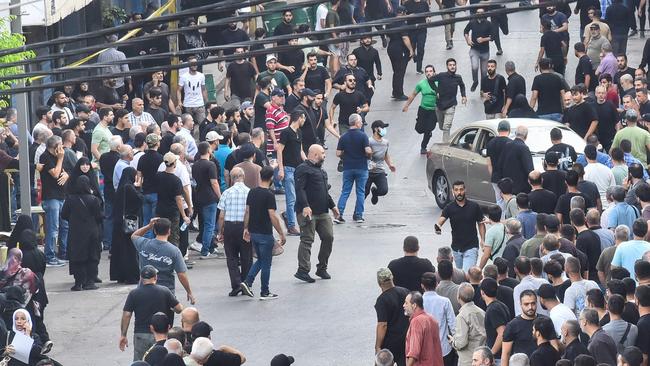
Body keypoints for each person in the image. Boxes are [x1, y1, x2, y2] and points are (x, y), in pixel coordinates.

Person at [240, 166, 287, 300]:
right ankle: (264, 291)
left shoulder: (252, 192)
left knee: (261, 260)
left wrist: (246, 228)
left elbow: (247, 211)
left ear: (260, 176)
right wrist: (281, 233)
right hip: (265, 233)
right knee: (266, 263)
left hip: (254, 232)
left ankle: (248, 282)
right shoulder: (269, 195)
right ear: (272, 178)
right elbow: (272, 215)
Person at [294, 144, 338, 283]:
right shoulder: (302, 169)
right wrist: (305, 206)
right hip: (308, 212)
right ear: (314, 154)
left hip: (322, 212)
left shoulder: (321, 171)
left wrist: (333, 206)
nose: (324, 156)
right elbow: (299, 189)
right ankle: (303, 270)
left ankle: (322, 268)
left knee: (328, 237)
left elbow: (325, 191)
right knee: (307, 240)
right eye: (322, 153)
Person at [120, 265, 183, 361]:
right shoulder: (164, 291)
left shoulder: (134, 293)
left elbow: (127, 315)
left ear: (141, 278)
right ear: (155, 277)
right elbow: (179, 308)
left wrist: (123, 335)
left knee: (140, 361)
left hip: (141, 334)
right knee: (161, 360)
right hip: (160, 334)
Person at [131, 218, 195, 304]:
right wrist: (189, 292)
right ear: (169, 231)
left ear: (154, 231)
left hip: (144, 291)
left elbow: (134, 236)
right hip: (166, 293)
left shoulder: (144, 244)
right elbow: (181, 274)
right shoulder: (174, 251)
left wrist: (148, 226)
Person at [61, 176, 103, 291]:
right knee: (92, 256)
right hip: (92, 231)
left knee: (77, 256)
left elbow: (64, 215)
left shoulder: (70, 199)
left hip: (75, 232)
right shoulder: (94, 199)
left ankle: (78, 282)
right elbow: (99, 216)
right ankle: (90, 281)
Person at [216, 167, 251, 297]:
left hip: (230, 226)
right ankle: (246, 282)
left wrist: (220, 231)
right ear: (243, 176)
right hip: (244, 226)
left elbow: (221, 215)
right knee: (246, 256)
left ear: (231, 178)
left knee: (231, 257)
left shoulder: (227, 193)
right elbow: (249, 212)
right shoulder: (249, 192)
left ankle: (236, 285)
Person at [435, 180, 486, 271]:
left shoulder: (474, 206)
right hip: (456, 248)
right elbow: (442, 219)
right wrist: (438, 226)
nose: (459, 192)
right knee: (460, 274)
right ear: (453, 191)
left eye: (461, 189)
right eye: (456, 190)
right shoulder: (449, 207)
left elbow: (481, 223)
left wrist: (482, 239)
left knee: (467, 274)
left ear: (465, 190)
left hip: (471, 246)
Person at [334, 114, 371, 224]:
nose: (361, 123)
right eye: (360, 122)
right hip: (361, 167)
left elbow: (338, 153)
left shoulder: (344, 137)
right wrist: (368, 155)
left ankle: (339, 214)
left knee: (345, 191)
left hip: (348, 167)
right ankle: (358, 215)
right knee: (360, 192)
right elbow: (368, 150)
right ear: (357, 123)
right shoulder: (363, 136)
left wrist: (345, 155)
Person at [110, 167, 142, 284]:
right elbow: (139, 200)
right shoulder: (129, 187)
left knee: (120, 250)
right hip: (129, 224)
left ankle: (120, 275)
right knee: (129, 251)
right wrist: (138, 187)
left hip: (119, 224)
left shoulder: (121, 188)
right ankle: (131, 276)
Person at [40, 135, 69, 267]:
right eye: (61, 145)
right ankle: (49, 256)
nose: (63, 147)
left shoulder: (57, 158)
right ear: (56, 147)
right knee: (53, 228)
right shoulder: (45, 157)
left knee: (65, 226)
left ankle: (63, 253)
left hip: (61, 195)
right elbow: (56, 174)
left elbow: (63, 172)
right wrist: (61, 158)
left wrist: (67, 174)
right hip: (51, 197)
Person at [278, 111, 306, 235]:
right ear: (299, 118)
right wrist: (281, 168)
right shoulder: (286, 133)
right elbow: (279, 150)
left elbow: (301, 151)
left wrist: (308, 162)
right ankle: (291, 225)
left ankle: (288, 216)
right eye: (303, 118)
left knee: (298, 197)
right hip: (288, 168)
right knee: (291, 199)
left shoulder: (299, 133)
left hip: (298, 169)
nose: (304, 121)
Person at [374, 268, 409, 366]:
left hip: (390, 342)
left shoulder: (382, 300)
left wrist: (378, 346)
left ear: (379, 283)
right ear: (392, 278)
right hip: (406, 339)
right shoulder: (405, 291)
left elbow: (382, 325)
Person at [192, 142, 221, 258]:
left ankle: (208, 247)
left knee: (203, 223)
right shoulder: (210, 165)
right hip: (210, 197)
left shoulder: (195, 165)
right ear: (208, 150)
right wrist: (220, 196)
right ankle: (205, 250)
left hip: (199, 195)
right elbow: (214, 182)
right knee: (210, 225)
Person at [501, 290, 546, 366]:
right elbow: (506, 353)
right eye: (526, 304)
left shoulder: (545, 321)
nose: (530, 307)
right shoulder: (512, 325)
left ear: (536, 303)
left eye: (533, 303)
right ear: (520, 304)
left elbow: (554, 345)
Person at [421, 272, 457, 366]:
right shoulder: (445, 301)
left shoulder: (418, 302)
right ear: (437, 284)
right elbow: (453, 324)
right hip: (444, 348)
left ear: (422, 286)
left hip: (424, 349)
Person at [402, 65, 438, 154]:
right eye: (427, 71)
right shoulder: (421, 83)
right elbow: (413, 94)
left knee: (428, 129)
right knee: (419, 129)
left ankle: (423, 147)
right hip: (423, 109)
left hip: (434, 111)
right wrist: (406, 105)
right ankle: (425, 129)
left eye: (431, 71)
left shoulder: (438, 83)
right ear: (425, 73)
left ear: (434, 72)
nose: (429, 73)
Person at [403, 291, 444, 365]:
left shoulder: (416, 321)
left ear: (414, 305)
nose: (403, 305)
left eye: (406, 303)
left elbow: (414, 352)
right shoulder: (432, 319)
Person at [450, 283, 486, 366]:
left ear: (458, 297)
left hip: (468, 360)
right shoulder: (481, 312)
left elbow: (461, 343)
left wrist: (453, 341)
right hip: (482, 358)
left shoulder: (461, 316)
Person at [432, 58, 467, 142]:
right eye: (450, 65)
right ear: (447, 66)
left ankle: (445, 146)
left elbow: (462, 86)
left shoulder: (458, 77)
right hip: (439, 105)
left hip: (451, 105)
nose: (452, 67)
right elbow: (430, 80)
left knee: (446, 127)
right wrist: (436, 90)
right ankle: (447, 138)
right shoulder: (441, 75)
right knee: (441, 127)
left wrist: (463, 96)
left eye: (454, 65)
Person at [385, 6, 414, 100]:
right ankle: (399, 93)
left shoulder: (390, 23)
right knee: (400, 72)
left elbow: (388, 37)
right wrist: (411, 49)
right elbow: (405, 38)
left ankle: (395, 91)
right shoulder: (402, 24)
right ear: (403, 13)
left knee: (396, 71)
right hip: (400, 50)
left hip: (391, 48)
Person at [481, 278, 511, 364]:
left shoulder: (493, 309)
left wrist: (491, 353)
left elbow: (502, 333)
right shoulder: (501, 305)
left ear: (482, 292)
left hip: (498, 358)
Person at [464, 8, 492, 92]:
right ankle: (475, 81)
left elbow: (493, 37)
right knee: (475, 67)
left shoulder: (488, 24)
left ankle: (482, 89)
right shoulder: (472, 22)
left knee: (484, 72)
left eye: (481, 13)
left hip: (485, 51)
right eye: (478, 13)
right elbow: (465, 31)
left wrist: (484, 39)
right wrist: (468, 39)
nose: (479, 14)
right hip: (474, 49)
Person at [500, 126, 534, 194]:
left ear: (515, 133)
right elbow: (529, 169)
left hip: (508, 186)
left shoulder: (507, 145)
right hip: (522, 188)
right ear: (526, 136)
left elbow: (500, 164)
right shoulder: (524, 148)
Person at [177, 56, 207, 125]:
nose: (194, 65)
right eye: (192, 63)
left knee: (203, 125)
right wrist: (179, 101)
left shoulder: (201, 76)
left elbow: (203, 89)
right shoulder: (183, 77)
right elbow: (178, 90)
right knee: (188, 126)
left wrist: (206, 101)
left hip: (199, 104)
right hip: (188, 105)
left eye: (196, 63)